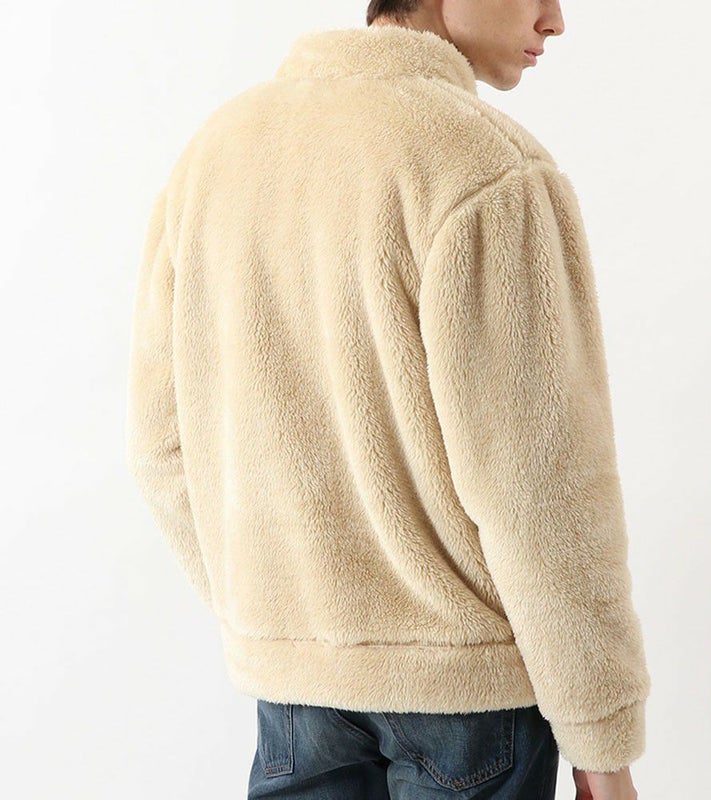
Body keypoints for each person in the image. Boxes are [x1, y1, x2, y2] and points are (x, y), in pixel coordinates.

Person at [125, 1, 651, 798]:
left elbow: (161, 449)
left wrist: (281, 622)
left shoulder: (217, 154)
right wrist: (602, 744)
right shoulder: (484, 166)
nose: (554, 19)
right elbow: (540, 492)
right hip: (468, 697)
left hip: (296, 695)